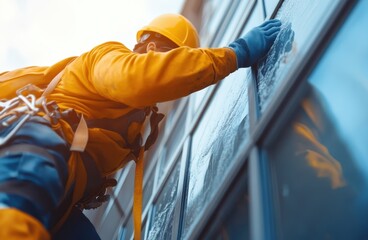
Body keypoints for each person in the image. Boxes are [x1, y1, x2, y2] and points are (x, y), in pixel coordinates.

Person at [0, 13, 281, 239]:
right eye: (174, 57)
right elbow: (141, 78)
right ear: (151, 48)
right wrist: (235, 53)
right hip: (36, 149)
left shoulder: (134, 119)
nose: (178, 68)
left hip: (64, 187)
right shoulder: (107, 56)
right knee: (15, 220)